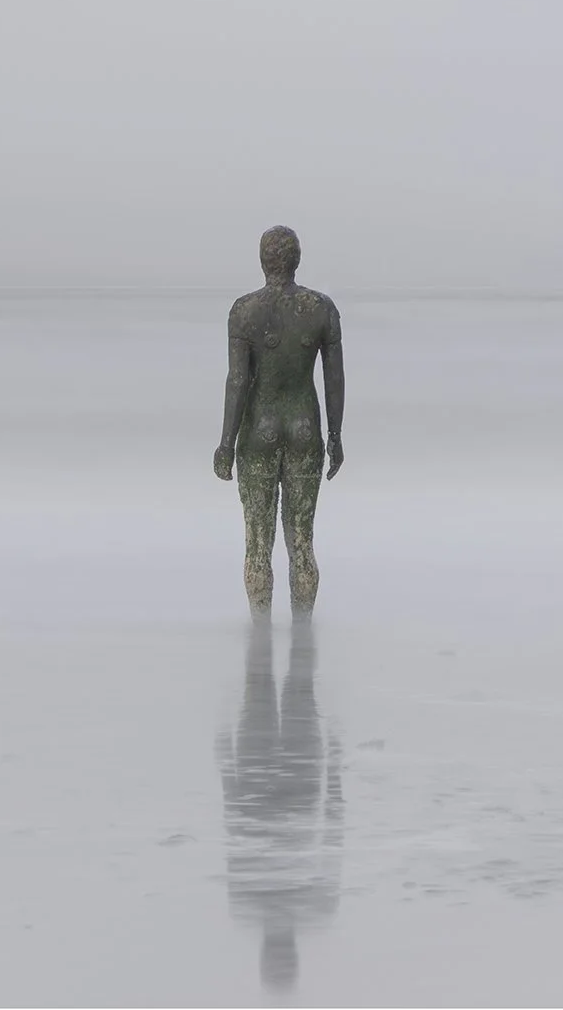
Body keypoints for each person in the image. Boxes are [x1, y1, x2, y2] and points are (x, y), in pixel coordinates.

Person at [214, 226, 344, 617]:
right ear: (297, 260)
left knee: (258, 541)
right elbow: (333, 378)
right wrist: (335, 435)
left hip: (259, 430)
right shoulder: (321, 308)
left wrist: (225, 443)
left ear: (262, 261)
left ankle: (260, 639)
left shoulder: (245, 310)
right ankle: (303, 638)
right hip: (305, 427)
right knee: (301, 539)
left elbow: (238, 381)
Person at [215, 620, 343, 996]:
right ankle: (295, 624)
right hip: (290, 788)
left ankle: (270, 626)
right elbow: (333, 832)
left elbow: (235, 827)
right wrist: (334, 769)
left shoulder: (250, 904)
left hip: (268, 785)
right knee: (288, 686)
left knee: (263, 686)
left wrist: (226, 766)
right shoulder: (312, 908)